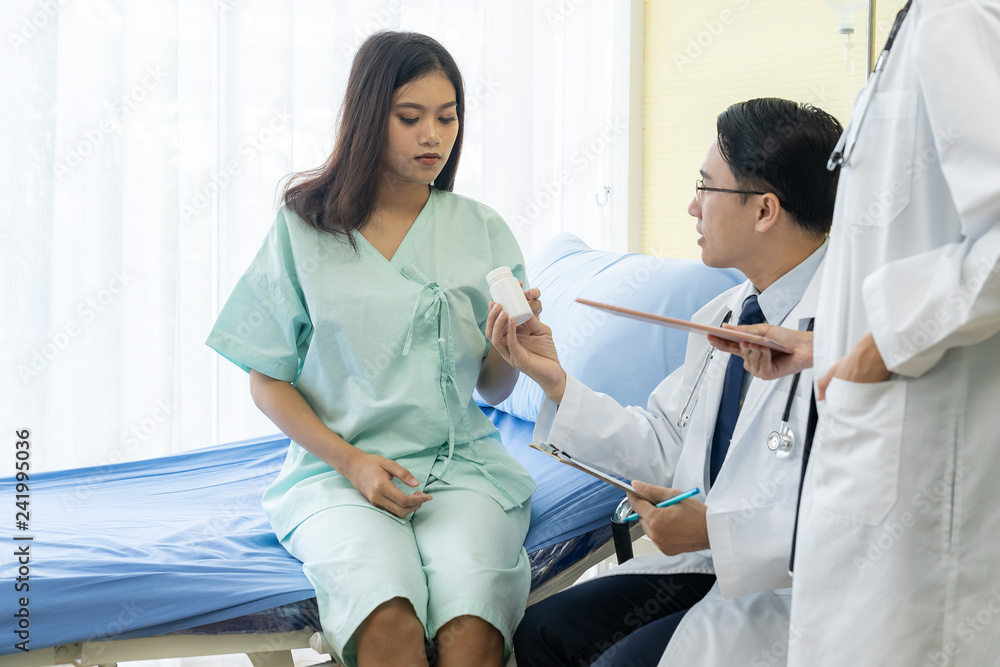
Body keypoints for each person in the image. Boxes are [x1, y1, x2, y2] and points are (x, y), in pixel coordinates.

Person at [206, 31, 541, 667]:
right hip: (338, 473)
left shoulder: (481, 229)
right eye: (410, 118)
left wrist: (511, 346)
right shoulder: (305, 227)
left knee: (473, 624)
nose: (432, 136)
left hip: (460, 470)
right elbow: (266, 378)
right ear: (368, 117)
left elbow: (493, 388)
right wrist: (353, 462)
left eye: (447, 118)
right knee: (387, 619)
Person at [491, 98, 843, 666]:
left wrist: (714, 532)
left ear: (764, 210)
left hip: (793, 594)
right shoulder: (723, 315)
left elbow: (853, 518)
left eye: (706, 187)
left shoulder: (849, 338)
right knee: (539, 631)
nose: (692, 206)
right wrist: (556, 383)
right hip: (708, 566)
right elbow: (664, 442)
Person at [711, 2, 1000, 664]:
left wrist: (882, 345)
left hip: (922, 494)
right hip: (879, 465)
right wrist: (828, 348)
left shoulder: (962, 15)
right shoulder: (925, 25)